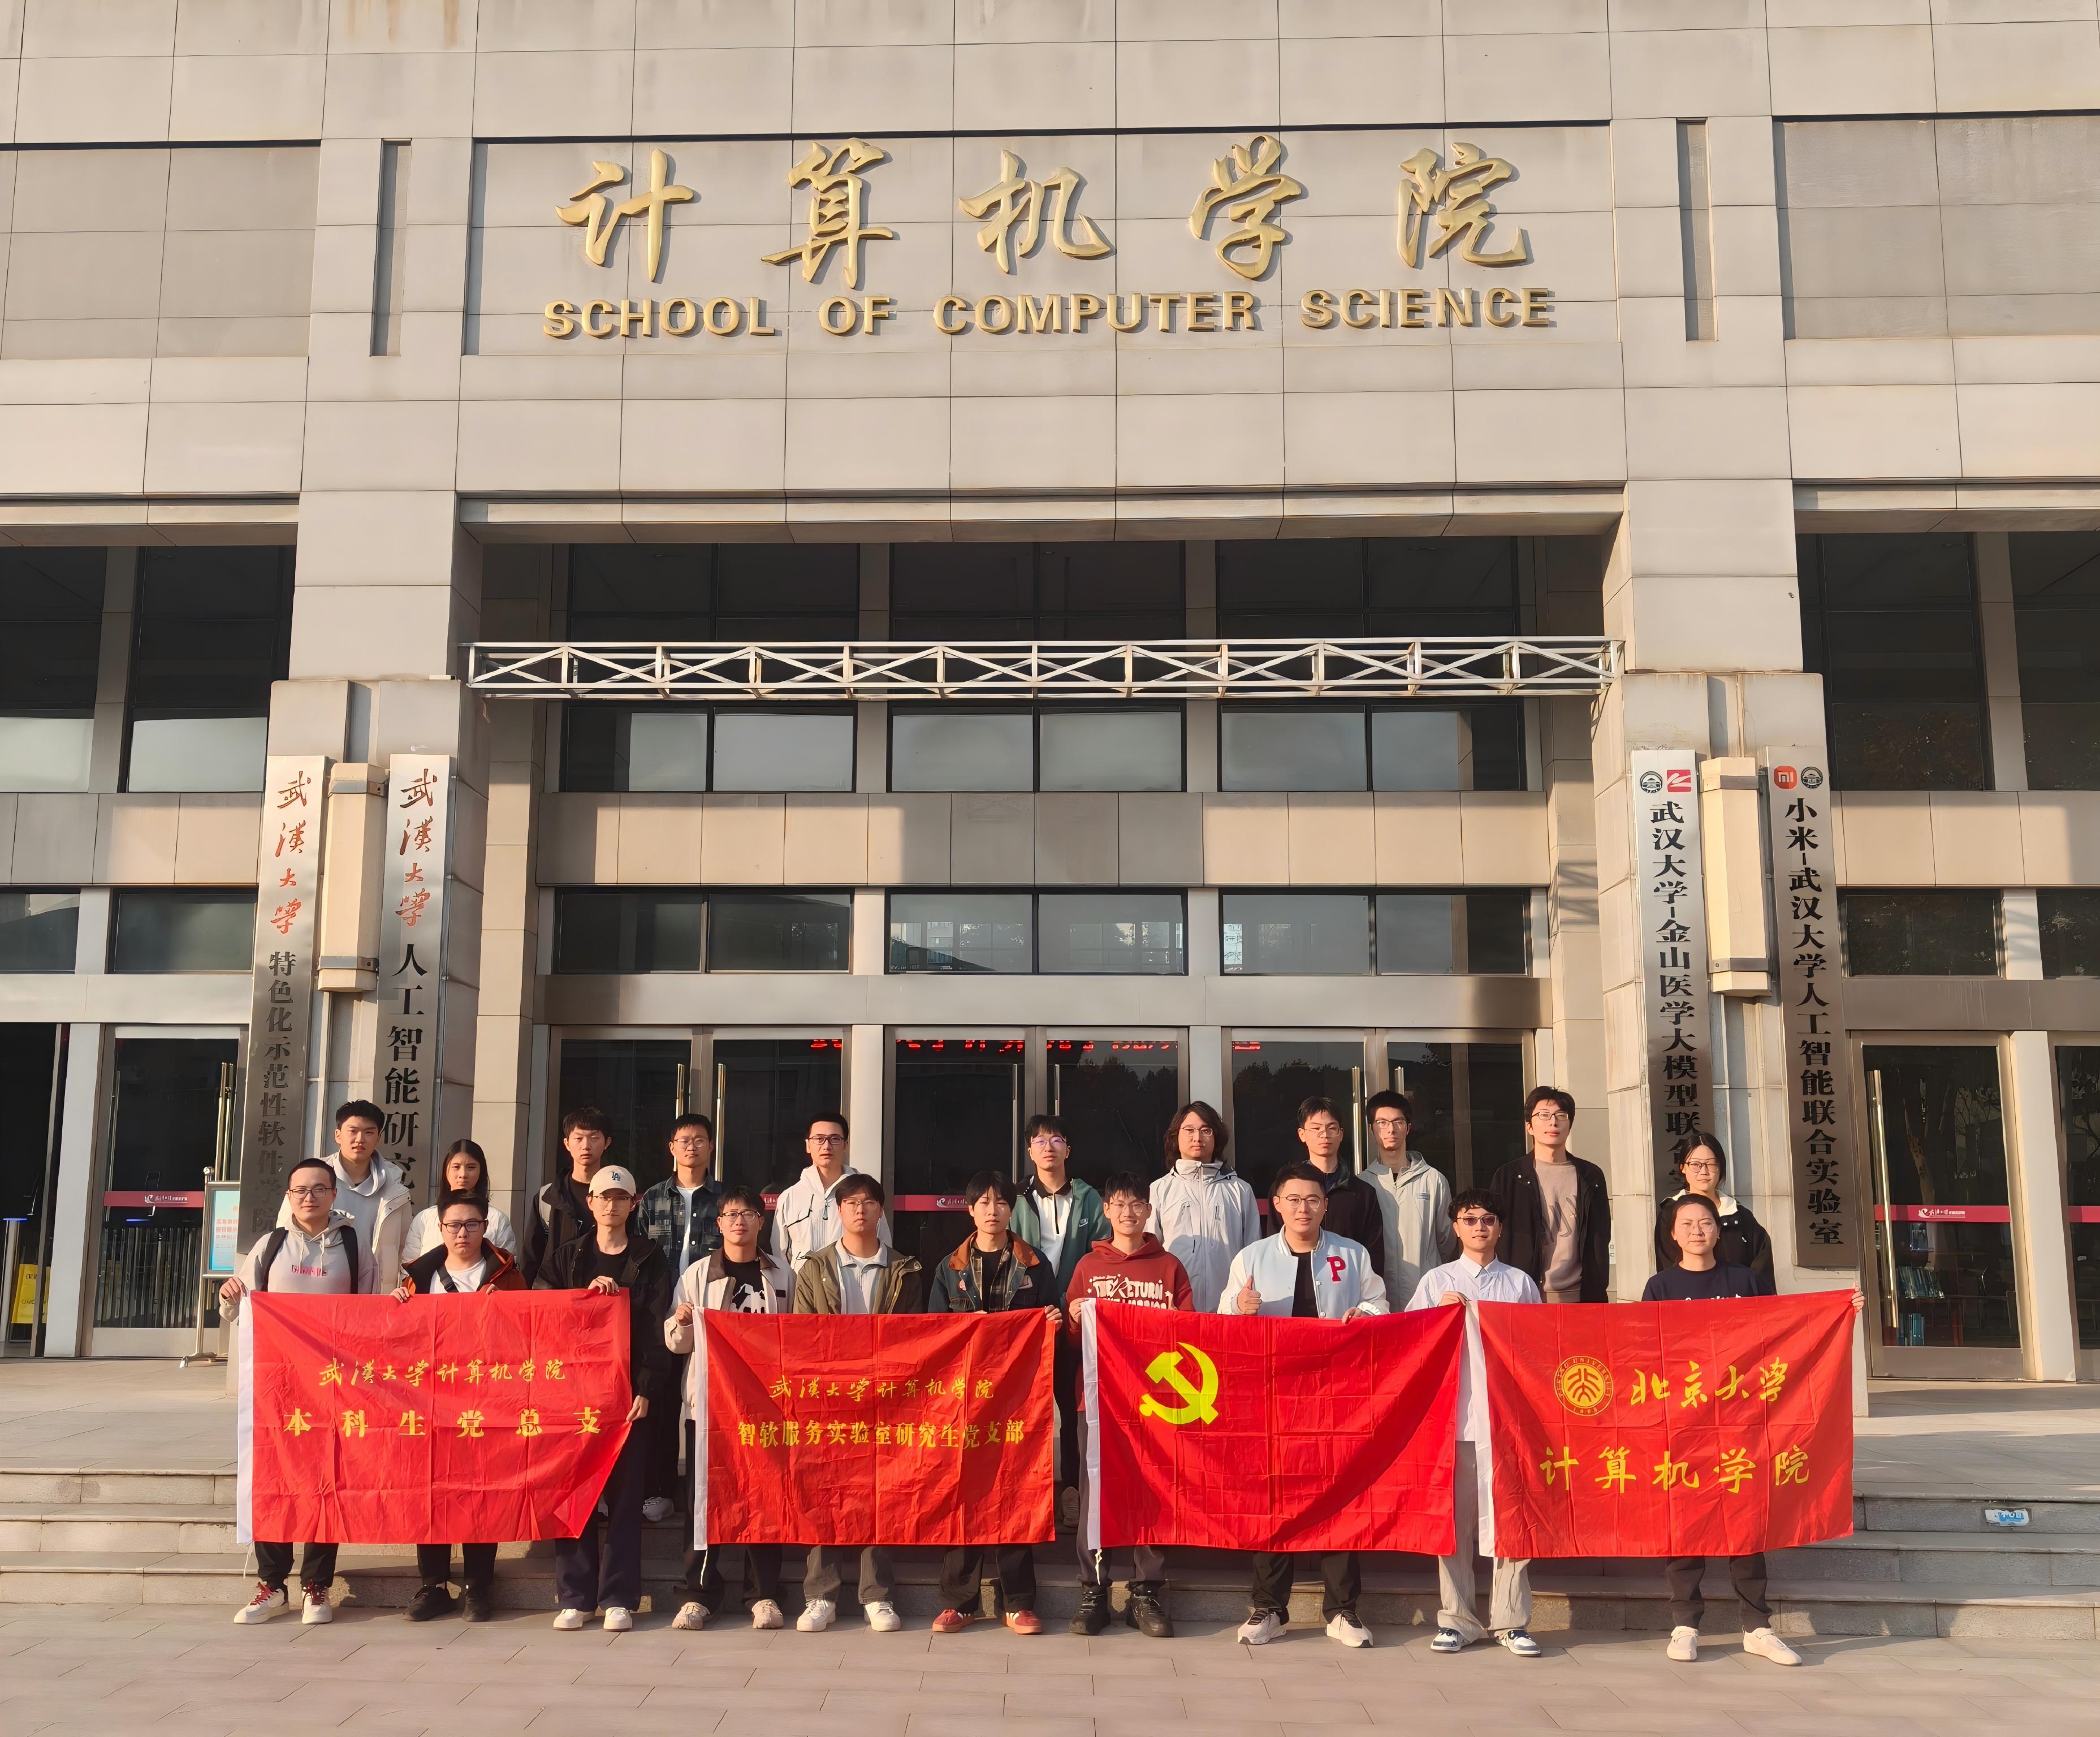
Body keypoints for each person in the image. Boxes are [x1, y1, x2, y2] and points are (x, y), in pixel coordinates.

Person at [1224, 1161, 1386, 1649]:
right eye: (1293, 1200)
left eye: (1313, 1200)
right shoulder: (1251, 1258)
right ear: (1276, 1205)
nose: (1303, 1209)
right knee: (1273, 1498)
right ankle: (1270, 1607)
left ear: (1325, 1206)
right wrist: (1240, 1310)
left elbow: (1381, 1304)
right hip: (1273, 1398)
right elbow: (1221, 1324)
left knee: (1341, 1496)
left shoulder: (1351, 1254)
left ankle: (1343, 1610)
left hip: (1338, 1396)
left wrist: (1365, 1313)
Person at [1645, 1194, 1801, 1668]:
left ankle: (1757, 1626)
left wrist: (1840, 1308)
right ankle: (1685, 1623)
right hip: (1685, 1422)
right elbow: (1646, 1351)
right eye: (1687, 1224)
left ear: (1718, 1230)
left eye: (1706, 1222)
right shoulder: (1661, 1286)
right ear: (1673, 1234)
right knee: (1686, 1519)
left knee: (1746, 1520)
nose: (1697, 1231)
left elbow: (1784, 1331)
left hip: (1741, 1421)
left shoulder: (1745, 1281)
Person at [222, 1156, 373, 1625]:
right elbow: (240, 1311)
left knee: (325, 1480)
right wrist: (228, 1297)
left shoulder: (354, 1246)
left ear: (334, 1195)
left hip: (333, 1387)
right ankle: (272, 1585)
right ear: (289, 1197)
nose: (310, 1197)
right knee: (274, 1477)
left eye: (319, 1189)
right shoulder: (270, 1245)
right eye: (300, 1190)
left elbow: (370, 1315)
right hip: (277, 1385)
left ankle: (316, 1586)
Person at [534, 1164, 674, 1633]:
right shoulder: (566, 1258)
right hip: (572, 1397)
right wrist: (584, 1298)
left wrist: (647, 1388)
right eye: (603, 1197)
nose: (611, 1205)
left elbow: (656, 1329)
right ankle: (576, 1596)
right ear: (589, 1203)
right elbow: (542, 1317)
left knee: (625, 1498)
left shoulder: (649, 1257)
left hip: (626, 1395)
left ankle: (618, 1597)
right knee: (574, 1495)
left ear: (633, 1205)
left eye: (620, 1198)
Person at [1405, 1188, 1544, 1660]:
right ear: (1456, 1228)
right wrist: (1437, 1315)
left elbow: (1538, 1349)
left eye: (1488, 1220)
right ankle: (1457, 1620)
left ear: (1500, 1228)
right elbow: (1409, 1343)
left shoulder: (1520, 1284)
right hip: (1456, 1421)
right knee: (1454, 1527)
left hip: (1507, 1423)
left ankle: (1511, 1621)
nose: (1480, 1227)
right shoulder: (1436, 1281)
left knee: (1512, 1523)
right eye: (1470, 1220)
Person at [929, 1170, 1062, 1636]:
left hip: (1018, 1399)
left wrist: (1052, 1320)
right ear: (970, 1211)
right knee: (962, 1492)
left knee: (1016, 1490)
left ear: (1011, 1210)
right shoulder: (950, 1267)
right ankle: (959, 1602)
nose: (992, 1210)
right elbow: (934, 1331)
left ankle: (1018, 1603)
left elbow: (1051, 1318)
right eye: (983, 1203)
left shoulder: (1035, 1264)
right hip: (964, 1399)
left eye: (1001, 1202)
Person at [792, 1172, 924, 1633]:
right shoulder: (814, 1268)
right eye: (852, 1203)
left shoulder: (905, 1269)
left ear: (881, 1210)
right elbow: (803, 1334)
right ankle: (820, 1595)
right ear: (839, 1211)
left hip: (885, 1399)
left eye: (869, 1202)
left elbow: (914, 1336)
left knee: (879, 1493)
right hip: (830, 1399)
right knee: (825, 1490)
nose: (860, 1210)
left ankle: (877, 1596)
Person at [1062, 1170, 1192, 1638]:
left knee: (1152, 1491)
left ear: (1149, 1211)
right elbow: (1072, 1343)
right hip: (1097, 1400)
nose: (1128, 1212)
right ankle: (1094, 1591)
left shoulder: (1169, 1267)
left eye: (1137, 1204)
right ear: (1106, 1211)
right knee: (1098, 1494)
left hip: (1155, 1403)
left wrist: (1175, 1325)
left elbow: (1189, 1336)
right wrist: (1074, 1319)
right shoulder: (1088, 1267)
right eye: (1119, 1204)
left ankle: (1146, 1591)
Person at [391, 1187, 526, 1623]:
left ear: (485, 1227)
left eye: (471, 1224)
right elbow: (401, 1342)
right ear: (441, 1228)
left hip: (488, 1401)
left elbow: (528, 1336)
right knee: (430, 1489)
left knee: (481, 1491)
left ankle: (478, 1585)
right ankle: (433, 1584)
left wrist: (506, 1311)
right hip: (430, 1401)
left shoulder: (507, 1276)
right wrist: (397, 1306)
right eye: (454, 1225)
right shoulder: (419, 1279)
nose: (462, 1233)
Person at [666, 1184, 794, 1633]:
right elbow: (676, 1343)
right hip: (711, 1407)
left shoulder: (782, 1274)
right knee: (704, 1501)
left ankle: (763, 1594)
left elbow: (796, 1335)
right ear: (719, 1224)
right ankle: (698, 1595)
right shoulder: (698, 1274)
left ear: (762, 1221)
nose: (740, 1222)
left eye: (748, 1214)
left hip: (765, 1407)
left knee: (766, 1498)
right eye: (731, 1215)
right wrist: (682, 1322)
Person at [1009, 1113, 1108, 1531]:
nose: (1048, 1147)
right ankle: (1021, 1492)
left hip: (1076, 1316)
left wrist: (1076, 1304)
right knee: (1022, 1409)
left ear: (1068, 1149)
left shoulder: (1089, 1198)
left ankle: (1072, 1491)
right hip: (1028, 1317)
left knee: (1074, 1407)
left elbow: (1101, 1252)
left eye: (1056, 1140)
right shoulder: (1015, 1198)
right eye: (1039, 1141)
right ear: (1029, 1151)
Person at [637, 1112, 724, 1523]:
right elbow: (639, 1254)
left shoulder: (724, 1198)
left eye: (700, 1140)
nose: (692, 1147)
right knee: (663, 1402)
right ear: (672, 1147)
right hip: (663, 1313)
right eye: (684, 1140)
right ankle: (661, 1489)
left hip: (710, 1314)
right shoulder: (652, 1198)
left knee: (709, 1403)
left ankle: (711, 1488)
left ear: (711, 1146)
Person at [274, 1099, 411, 1295]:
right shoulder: (310, 1178)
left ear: (378, 1138)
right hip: (322, 1291)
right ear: (338, 1135)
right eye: (353, 1131)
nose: (360, 1139)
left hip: (378, 1295)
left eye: (369, 1132)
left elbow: (405, 1250)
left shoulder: (396, 1189)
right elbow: (286, 1236)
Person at [1489, 1088, 1610, 1304]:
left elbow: (1601, 1237)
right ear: (1529, 1126)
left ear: (1569, 1124)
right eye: (1544, 1115)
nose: (1553, 1122)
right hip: (1524, 1297)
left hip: (1582, 1298)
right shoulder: (1510, 1177)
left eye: (1561, 1115)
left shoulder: (1591, 1176)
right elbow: (1497, 1237)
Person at [1148, 1100, 1258, 1315]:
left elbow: (1253, 1253)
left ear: (1216, 1137)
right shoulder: (1160, 1190)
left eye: (1206, 1130)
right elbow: (1149, 1253)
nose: (1197, 1138)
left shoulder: (1240, 1190)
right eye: (1189, 1130)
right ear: (1175, 1136)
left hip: (1231, 1311)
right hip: (1176, 1311)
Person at [1362, 1089, 1455, 1304]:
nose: (1391, 1129)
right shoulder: (1363, 1184)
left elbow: (1447, 1240)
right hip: (1377, 1301)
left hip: (1427, 1297)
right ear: (1371, 1129)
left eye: (1398, 1122)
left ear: (1408, 1128)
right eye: (1382, 1123)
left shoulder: (1433, 1180)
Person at [525, 1107, 630, 1287]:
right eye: (579, 1138)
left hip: (608, 1291)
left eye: (594, 1138)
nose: (586, 1146)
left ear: (607, 1143)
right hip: (558, 1295)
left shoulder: (621, 1195)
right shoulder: (547, 1197)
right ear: (567, 1143)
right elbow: (532, 1257)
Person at [771, 1111, 889, 1272]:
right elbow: (781, 1256)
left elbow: (883, 1246)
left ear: (846, 1145)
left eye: (835, 1139)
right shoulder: (790, 1198)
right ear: (808, 1145)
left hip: (854, 1284)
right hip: (804, 1286)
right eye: (819, 1139)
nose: (827, 1146)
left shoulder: (866, 1194)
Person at [1652, 1132, 1774, 1285]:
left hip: (1737, 1297)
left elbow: (1761, 1275)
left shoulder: (1740, 1215)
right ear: (1683, 1168)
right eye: (1695, 1165)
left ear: (1720, 1167)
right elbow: (1668, 1273)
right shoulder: (1670, 1214)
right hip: (1689, 1297)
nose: (1704, 1172)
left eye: (1711, 1164)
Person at [1293, 1096, 1387, 1280]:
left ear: (1341, 1134)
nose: (1325, 1135)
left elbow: (1374, 1255)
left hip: (1349, 1287)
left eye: (1332, 1128)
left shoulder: (1363, 1193)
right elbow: (1275, 1246)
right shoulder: (1287, 1191)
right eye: (1316, 1129)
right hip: (1298, 1288)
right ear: (1302, 1134)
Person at [400, 1138, 518, 1263]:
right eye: (456, 1167)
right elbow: (409, 1267)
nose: (463, 1174)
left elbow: (508, 1267)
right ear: (446, 1170)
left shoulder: (497, 1219)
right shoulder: (425, 1218)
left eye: (471, 1167)